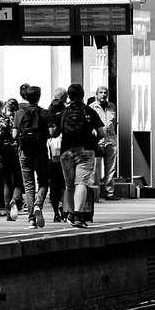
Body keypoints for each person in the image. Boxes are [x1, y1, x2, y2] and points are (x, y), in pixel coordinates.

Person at [52, 83, 104, 228]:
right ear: (83, 95)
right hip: (86, 151)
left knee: (69, 186)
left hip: (67, 151)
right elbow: (102, 133)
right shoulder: (89, 111)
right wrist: (93, 139)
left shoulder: (64, 112)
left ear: (69, 96)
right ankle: (78, 215)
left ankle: (69, 213)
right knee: (81, 183)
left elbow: (54, 133)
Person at [13, 85, 52, 229]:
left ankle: (31, 220)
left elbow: (14, 135)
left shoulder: (19, 113)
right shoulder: (45, 113)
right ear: (39, 97)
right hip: (41, 152)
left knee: (29, 186)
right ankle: (38, 204)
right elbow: (52, 133)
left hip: (24, 153)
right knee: (43, 182)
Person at [0, 98, 23, 220]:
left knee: (7, 182)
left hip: (4, 154)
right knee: (19, 180)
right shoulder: (19, 119)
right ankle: (15, 199)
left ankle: (8, 213)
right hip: (17, 153)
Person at [90, 85, 117, 200]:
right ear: (97, 95)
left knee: (110, 167)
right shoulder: (92, 107)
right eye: (101, 92)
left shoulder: (112, 107)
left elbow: (114, 122)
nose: (103, 95)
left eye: (105, 92)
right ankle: (95, 192)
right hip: (97, 140)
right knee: (95, 166)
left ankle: (109, 192)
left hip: (110, 139)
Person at [46, 87, 67, 222]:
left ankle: (56, 213)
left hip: (50, 158)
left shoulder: (47, 118)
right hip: (64, 157)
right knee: (64, 185)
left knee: (53, 187)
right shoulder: (65, 117)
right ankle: (63, 208)